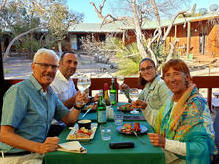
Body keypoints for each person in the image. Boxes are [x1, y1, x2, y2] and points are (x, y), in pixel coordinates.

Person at [0, 48, 84, 163]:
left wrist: (78, 104)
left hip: (38, 155)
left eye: (54, 67)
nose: (50, 70)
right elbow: (4, 134)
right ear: (33, 66)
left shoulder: (49, 93)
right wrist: (39, 147)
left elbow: (69, 120)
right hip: (17, 158)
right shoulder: (19, 91)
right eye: (44, 65)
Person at [148, 59, 215, 164]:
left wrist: (165, 143)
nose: (172, 79)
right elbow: (156, 123)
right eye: (167, 75)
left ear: (187, 77)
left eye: (176, 74)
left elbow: (201, 148)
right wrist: (145, 108)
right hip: (170, 154)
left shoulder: (196, 103)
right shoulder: (171, 101)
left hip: (186, 160)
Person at [121, 58, 171, 127]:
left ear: (155, 69)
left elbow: (168, 115)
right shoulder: (148, 85)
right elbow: (136, 101)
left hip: (159, 128)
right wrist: (126, 90)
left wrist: (146, 107)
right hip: (149, 122)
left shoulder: (162, 85)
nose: (146, 71)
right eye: (142, 69)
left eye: (149, 68)